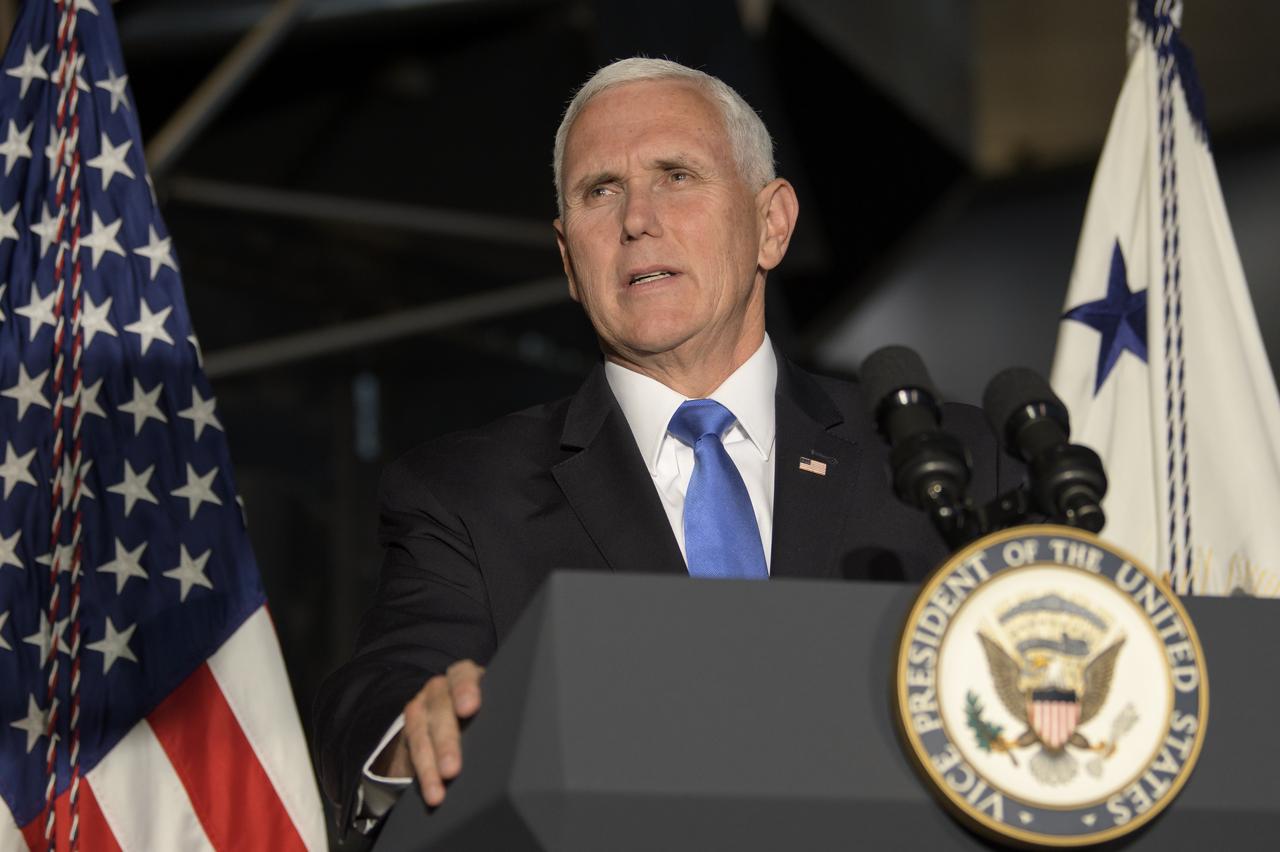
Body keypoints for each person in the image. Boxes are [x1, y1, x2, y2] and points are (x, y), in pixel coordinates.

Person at [312, 57, 1019, 836]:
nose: (636, 219)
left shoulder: (940, 460)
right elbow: (384, 695)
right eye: (599, 191)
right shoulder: (464, 493)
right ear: (568, 260)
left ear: (772, 225)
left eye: (677, 175)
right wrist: (413, 736)